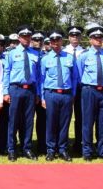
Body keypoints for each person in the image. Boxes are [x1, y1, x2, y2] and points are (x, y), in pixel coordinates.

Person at [77, 25, 103, 162]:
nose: (98, 40)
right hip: (89, 90)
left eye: (100, 37)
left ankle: (102, 151)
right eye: (95, 37)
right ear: (90, 39)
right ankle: (87, 151)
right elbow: (79, 74)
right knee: (87, 122)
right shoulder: (84, 56)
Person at [39, 30, 77, 162]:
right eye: (53, 41)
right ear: (50, 42)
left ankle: (62, 149)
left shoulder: (70, 57)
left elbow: (74, 78)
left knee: (64, 123)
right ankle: (50, 150)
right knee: (51, 123)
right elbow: (41, 80)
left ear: (62, 41)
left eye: (58, 40)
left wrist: (73, 95)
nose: (55, 43)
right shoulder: (45, 59)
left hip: (66, 94)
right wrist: (43, 97)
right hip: (51, 94)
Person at [3, 25, 39, 162]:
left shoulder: (36, 53)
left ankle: (27, 148)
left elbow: (39, 76)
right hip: (16, 89)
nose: (26, 38)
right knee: (13, 120)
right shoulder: (11, 53)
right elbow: (6, 73)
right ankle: (11, 149)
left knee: (28, 121)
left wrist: (37, 93)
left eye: (28, 36)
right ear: (19, 38)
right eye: (23, 36)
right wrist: (6, 92)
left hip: (30, 90)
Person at [63, 25, 85, 154]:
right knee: (65, 117)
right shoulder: (64, 51)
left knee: (80, 116)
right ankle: (63, 143)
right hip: (67, 87)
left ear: (81, 37)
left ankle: (78, 143)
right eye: (72, 35)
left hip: (82, 88)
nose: (75, 38)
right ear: (68, 37)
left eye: (77, 35)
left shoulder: (85, 52)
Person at [31, 30, 47, 155]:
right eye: (36, 40)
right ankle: (27, 145)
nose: (38, 42)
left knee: (43, 120)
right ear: (31, 40)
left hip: (42, 93)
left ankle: (42, 145)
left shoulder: (46, 55)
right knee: (27, 120)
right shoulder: (29, 54)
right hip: (30, 92)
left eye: (40, 40)